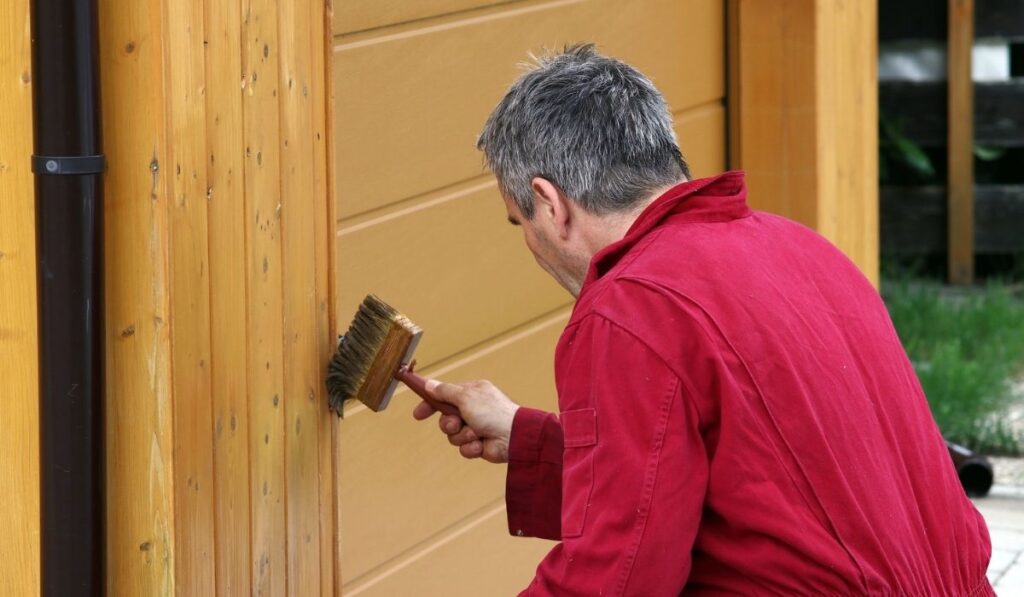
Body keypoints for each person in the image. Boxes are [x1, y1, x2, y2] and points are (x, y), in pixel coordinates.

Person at [412, 44, 993, 595]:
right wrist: (529, 439)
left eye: (520, 224)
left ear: (550, 203)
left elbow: (618, 575)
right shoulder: (800, 248)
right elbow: (743, 476)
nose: (531, 245)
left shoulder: (631, 307)